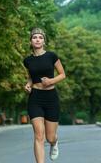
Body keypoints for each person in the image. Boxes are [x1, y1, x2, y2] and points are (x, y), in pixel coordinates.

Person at [23, 28, 66, 163]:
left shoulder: (51, 56)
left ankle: (54, 143)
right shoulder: (27, 61)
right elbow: (31, 77)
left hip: (51, 98)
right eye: (34, 37)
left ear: (44, 41)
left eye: (40, 37)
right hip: (35, 98)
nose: (37, 39)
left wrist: (50, 81)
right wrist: (28, 85)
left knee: (50, 137)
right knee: (38, 135)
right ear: (30, 41)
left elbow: (62, 74)